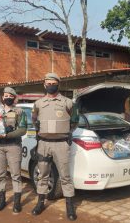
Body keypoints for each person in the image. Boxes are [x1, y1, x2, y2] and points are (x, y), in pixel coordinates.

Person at [31, 72, 77, 221]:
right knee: (42, 175)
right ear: (44, 85)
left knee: (65, 176)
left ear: (58, 84)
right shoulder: (38, 103)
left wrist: (67, 132)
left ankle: (70, 207)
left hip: (61, 145)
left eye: (53, 83)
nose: (50, 85)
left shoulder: (67, 102)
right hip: (43, 144)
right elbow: (34, 120)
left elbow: (75, 120)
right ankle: (40, 203)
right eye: (48, 83)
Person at [0, 87, 27, 213]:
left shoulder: (19, 111)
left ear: (14, 97)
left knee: (16, 175)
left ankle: (17, 202)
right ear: (2, 97)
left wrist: (8, 135)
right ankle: (2, 200)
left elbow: (23, 130)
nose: (7, 97)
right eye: (5, 95)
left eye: (10, 95)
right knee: (0, 175)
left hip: (13, 146)